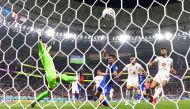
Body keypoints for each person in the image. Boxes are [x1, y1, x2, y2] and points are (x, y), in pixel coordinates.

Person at [31, 30, 77, 108]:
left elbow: (48, 49)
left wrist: (51, 45)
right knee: (61, 76)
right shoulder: (42, 51)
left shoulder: (45, 53)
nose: (46, 45)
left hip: (49, 76)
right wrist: (39, 35)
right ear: (43, 46)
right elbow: (39, 43)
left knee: (48, 93)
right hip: (51, 74)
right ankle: (76, 78)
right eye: (45, 44)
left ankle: (35, 101)